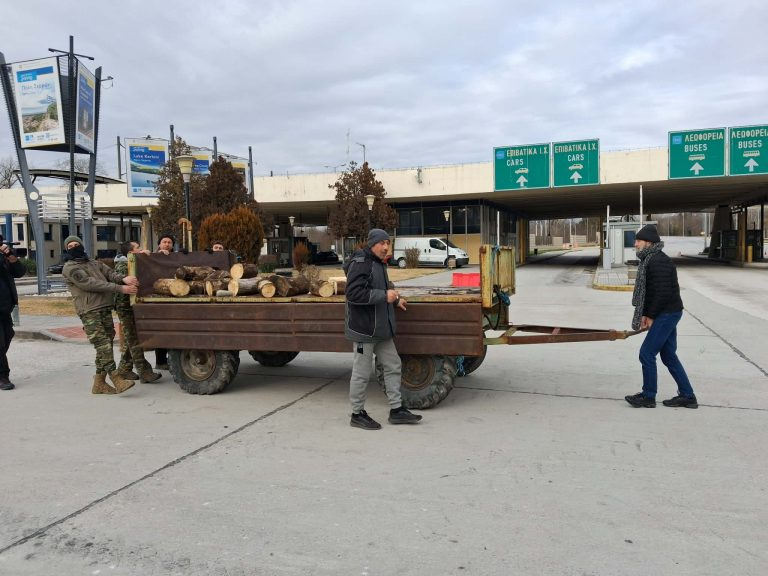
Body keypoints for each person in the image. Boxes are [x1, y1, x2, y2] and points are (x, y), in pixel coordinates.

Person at [343, 228, 422, 429]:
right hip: (364, 331)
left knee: (393, 365)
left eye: (388, 243)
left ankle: (396, 410)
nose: (386, 247)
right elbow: (353, 294)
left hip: (381, 330)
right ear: (372, 244)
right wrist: (383, 296)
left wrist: (395, 300)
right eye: (382, 243)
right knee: (361, 372)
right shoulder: (361, 262)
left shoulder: (379, 263)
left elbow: (383, 287)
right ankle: (357, 413)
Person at [625, 224, 697, 409]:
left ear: (649, 242)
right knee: (668, 355)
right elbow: (652, 292)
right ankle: (688, 396)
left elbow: (661, 293)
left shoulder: (657, 261)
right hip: (669, 311)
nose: (636, 243)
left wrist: (650, 315)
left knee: (646, 353)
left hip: (667, 313)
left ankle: (648, 396)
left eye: (639, 240)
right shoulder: (651, 259)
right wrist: (646, 313)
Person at [62, 235, 139, 395]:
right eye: (70, 246)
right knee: (102, 344)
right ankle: (116, 378)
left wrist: (124, 278)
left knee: (106, 345)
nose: (74, 247)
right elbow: (89, 283)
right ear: (67, 250)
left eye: (77, 244)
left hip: (104, 307)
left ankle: (99, 383)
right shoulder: (70, 268)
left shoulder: (94, 263)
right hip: (89, 310)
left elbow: (110, 273)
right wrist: (120, 288)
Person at [114, 241, 161, 383]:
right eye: (137, 248)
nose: (140, 250)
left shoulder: (133, 261)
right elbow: (129, 279)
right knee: (133, 339)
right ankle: (145, 372)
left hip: (131, 305)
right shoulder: (123, 265)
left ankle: (124, 369)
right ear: (130, 253)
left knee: (131, 338)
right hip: (124, 307)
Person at [0, 235, 26, 391]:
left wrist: (11, 256)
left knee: (8, 335)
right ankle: (3, 376)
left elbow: (20, 272)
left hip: (5, 307)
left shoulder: (5, 256)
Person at [153, 233, 175, 370]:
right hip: (158, 297)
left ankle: (169, 359)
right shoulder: (153, 256)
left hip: (174, 295)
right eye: (164, 242)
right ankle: (160, 361)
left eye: (169, 242)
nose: (167, 244)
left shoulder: (175, 257)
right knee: (160, 330)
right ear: (159, 244)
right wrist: (157, 255)